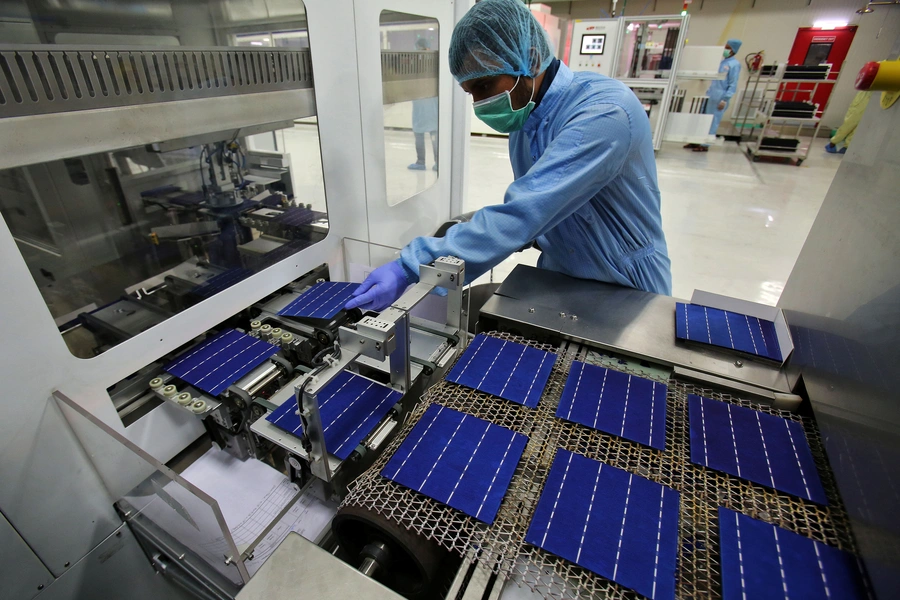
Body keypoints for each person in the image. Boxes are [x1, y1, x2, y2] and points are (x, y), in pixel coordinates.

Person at [346, 0, 671, 312]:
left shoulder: (604, 114)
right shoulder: (524, 122)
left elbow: (525, 213)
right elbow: (534, 214)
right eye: (471, 92)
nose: (480, 104)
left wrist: (409, 266)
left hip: (626, 289)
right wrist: (465, 240)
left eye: (485, 86)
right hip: (562, 281)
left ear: (530, 59)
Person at [686, 39, 742, 152]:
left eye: (728, 48)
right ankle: (696, 140)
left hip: (720, 97)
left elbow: (733, 83)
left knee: (712, 121)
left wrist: (725, 99)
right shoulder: (723, 62)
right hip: (710, 95)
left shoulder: (734, 65)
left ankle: (705, 144)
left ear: (733, 50)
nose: (725, 50)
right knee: (702, 119)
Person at [408, 38, 439, 171]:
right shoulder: (435, 63)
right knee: (433, 134)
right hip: (432, 105)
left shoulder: (414, 65)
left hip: (422, 105)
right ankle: (438, 163)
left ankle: (421, 162)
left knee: (419, 133)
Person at [825, 90, 872, 154]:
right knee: (849, 123)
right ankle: (833, 143)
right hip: (865, 96)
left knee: (860, 126)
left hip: (874, 99)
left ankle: (847, 146)